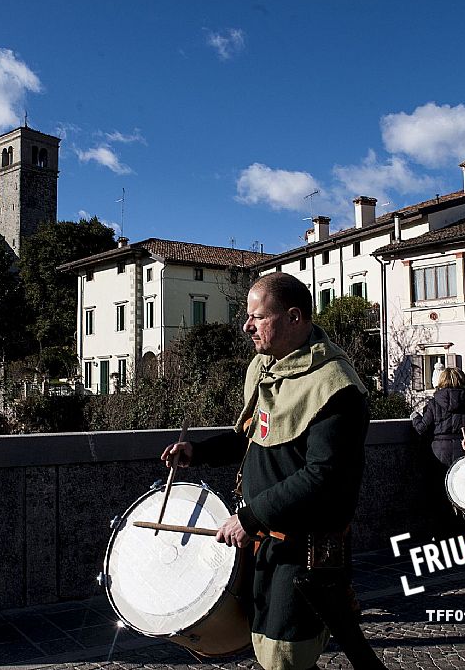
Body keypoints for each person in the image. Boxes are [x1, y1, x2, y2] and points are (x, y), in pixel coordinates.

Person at [160, 272, 372, 670]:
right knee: (266, 644)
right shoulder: (264, 369)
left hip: (303, 549)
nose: (246, 326)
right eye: (248, 316)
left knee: (286, 654)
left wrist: (250, 517)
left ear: (294, 317)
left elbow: (324, 477)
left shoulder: (335, 385)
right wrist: (198, 452)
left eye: (258, 317)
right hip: (264, 540)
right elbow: (252, 436)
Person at [411, 366, 465, 537]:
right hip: (464, 451)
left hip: (439, 452)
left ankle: (442, 535)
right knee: (464, 494)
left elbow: (422, 428)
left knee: (440, 495)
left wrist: (414, 416)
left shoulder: (434, 403)